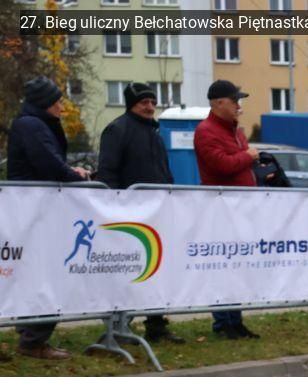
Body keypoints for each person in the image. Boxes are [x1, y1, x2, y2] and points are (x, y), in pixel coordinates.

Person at [6, 76, 90, 360]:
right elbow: (49, 164)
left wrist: (70, 172)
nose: (62, 107)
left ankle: (29, 332)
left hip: (36, 209)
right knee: (51, 275)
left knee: (34, 273)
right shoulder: (32, 125)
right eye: (57, 102)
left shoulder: (33, 123)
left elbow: (48, 162)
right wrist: (76, 178)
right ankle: (34, 340)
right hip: (37, 210)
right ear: (45, 102)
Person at [96, 82, 183, 344]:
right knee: (125, 272)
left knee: (156, 270)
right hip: (128, 215)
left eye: (153, 102)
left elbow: (163, 170)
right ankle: (117, 327)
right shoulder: (117, 130)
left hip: (156, 212)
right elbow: (107, 171)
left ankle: (156, 326)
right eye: (144, 102)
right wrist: (114, 206)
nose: (150, 107)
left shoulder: (154, 132)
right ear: (132, 104)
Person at [193, 79, 260, 340]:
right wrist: (248, 156)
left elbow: (239, 164)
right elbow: (221, 165)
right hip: (220, 208)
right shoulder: (206, 131)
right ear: (218, 103)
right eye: (234, 100)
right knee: (222, 265)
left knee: (238, 266)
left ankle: (236, 319)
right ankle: (223, 322)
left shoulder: (236, 131)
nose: (238, 105)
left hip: (240, 206)